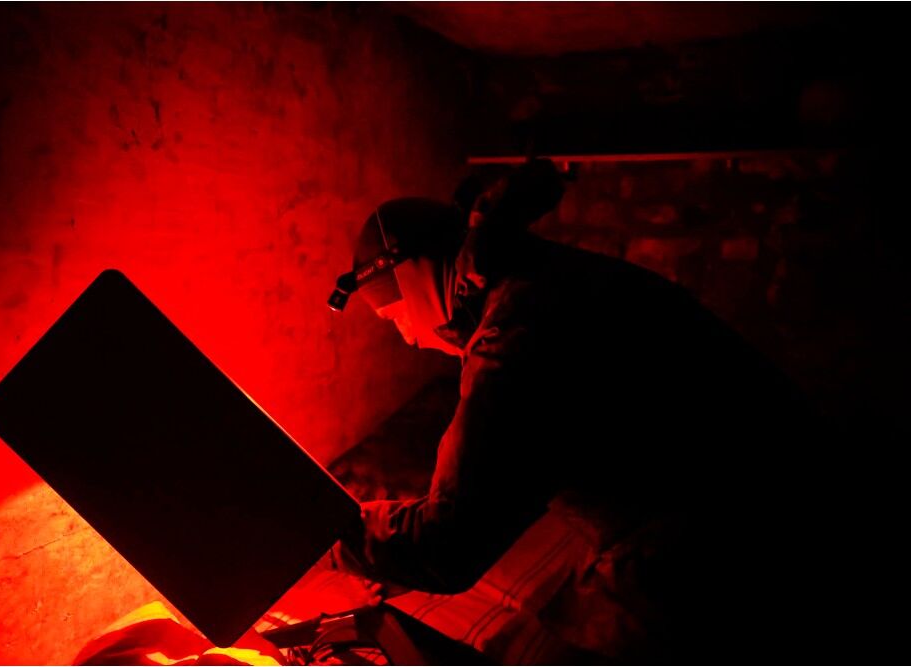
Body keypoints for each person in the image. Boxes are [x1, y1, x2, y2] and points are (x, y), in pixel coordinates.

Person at [326, 161, 835, 661]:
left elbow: (451, 543)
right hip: (769, 487)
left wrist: (329, 532)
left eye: (395, 317)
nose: (409, 339)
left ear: (416, 279)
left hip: (725, 547)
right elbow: (522, 465)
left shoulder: (512, 333)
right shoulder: (538, 272)